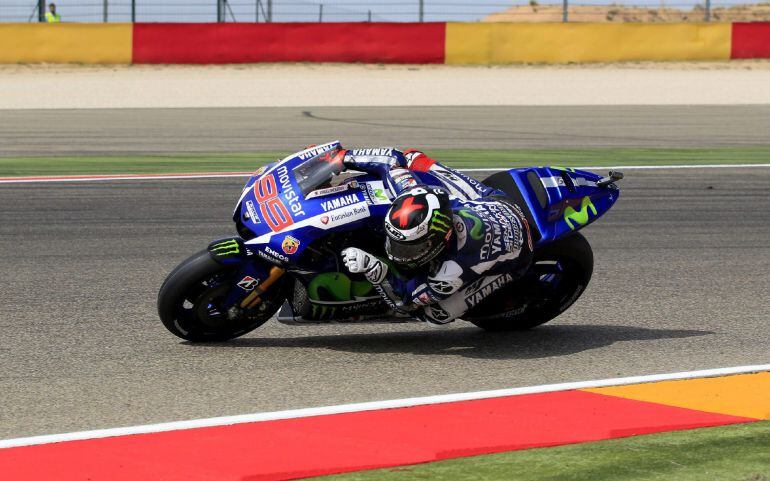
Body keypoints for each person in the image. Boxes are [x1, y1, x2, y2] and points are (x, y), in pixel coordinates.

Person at [341, 148, 533, 326]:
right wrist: (341, 157)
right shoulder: (412, 192)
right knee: (413, 157)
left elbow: (405, 302)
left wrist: (376, 271)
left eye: (411, 248)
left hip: (520, 253)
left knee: (436, 314)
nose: (396, 253)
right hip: (495, 201)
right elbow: (392, 159)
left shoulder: (449, 273)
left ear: (440, 240)